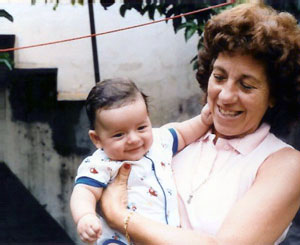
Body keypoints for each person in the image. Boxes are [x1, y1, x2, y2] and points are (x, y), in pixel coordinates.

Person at [99, 3, 300, 245]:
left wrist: (120, 216)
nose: (225, 96)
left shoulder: (285, 165)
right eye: (219, 77)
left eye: (246, 85)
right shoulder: (175, 140)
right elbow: (104, 176)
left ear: (274, 96)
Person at [70, 78, 212, 244]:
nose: (134, 139)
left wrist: (203, 121)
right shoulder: (101, 163)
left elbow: (182, 133)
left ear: (148, 119)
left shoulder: (160, 142)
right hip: (120, 239)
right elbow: (84, 191)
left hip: (163, 236)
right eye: (119, 135)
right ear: (97, 139)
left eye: (141, 127)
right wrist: (85, 216)